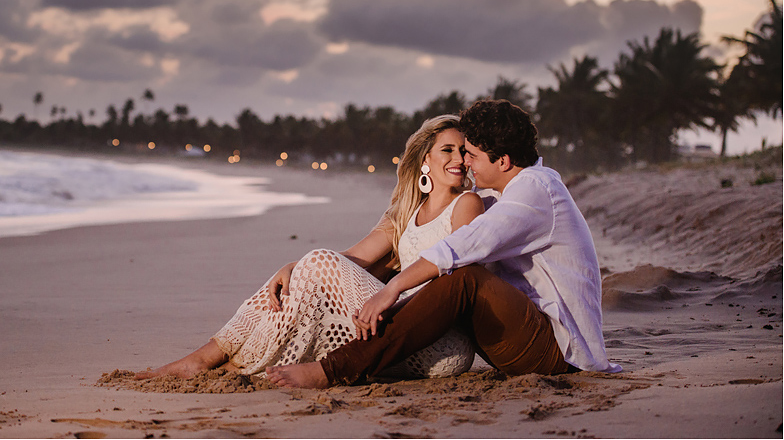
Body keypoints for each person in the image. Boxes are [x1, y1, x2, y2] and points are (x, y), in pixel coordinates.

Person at [266, 99, 621, 389]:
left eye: (472, 156)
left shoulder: (535, 190)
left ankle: (334, 370)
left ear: (503, 160)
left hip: (559, 352)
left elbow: (463, 246)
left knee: (465, 277)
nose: (465, 164)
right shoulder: (504, 194)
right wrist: (304, 269)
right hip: (523, 337)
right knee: (454, 277)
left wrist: (392, 292)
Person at [135, 114, 486, 380]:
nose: (458, 158)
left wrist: (315, 265)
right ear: (425, 160)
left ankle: (223, 363)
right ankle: (216, 357)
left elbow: (456, 275)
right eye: (448, 150)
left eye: (463, 151)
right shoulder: (405, 214)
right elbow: (351, 259)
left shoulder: (467, 203)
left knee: (318, 260)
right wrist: (294, 267)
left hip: (441, 345)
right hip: (397, 331)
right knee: (308, 268)